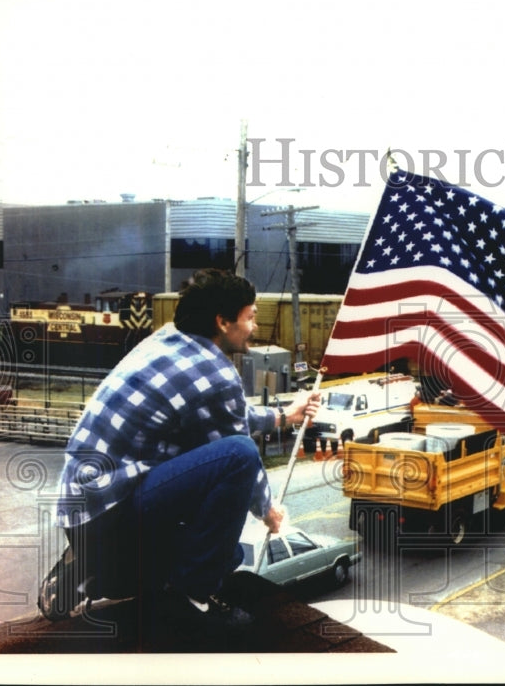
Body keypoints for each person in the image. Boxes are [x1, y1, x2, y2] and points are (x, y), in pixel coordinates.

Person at [39, 269, 320, 631]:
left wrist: (284, 416)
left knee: (227, 553)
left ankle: (91, 569)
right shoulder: (216, 373)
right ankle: (192, 599)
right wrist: (268, 511)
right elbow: (237, 449)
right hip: (115, 512)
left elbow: (221, 412)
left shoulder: (167, 340)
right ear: (223, 321)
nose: (254, 326)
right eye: (250, 317)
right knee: (238, 458)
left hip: (85, 507)